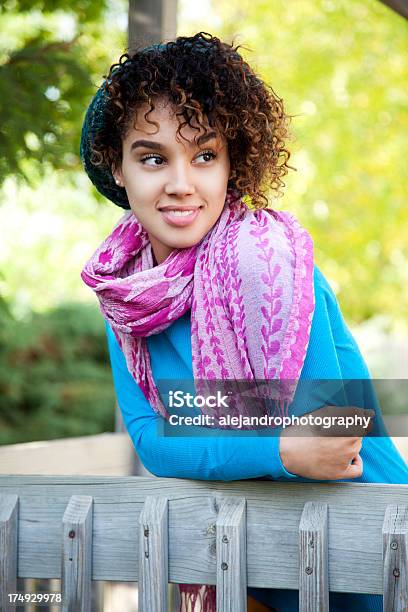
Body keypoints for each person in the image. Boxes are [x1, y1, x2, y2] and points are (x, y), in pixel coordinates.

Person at [80, 31, 407, 612]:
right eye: (153, 157)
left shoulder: (271, 264)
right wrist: (277, 449)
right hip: (250, 565)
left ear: (233, 164)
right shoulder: (124, 296)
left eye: (204, 155)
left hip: (368, 552)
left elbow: (333, 434)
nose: (181, 183)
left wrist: (219, 430)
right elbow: (154, 444)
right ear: (118, 167)